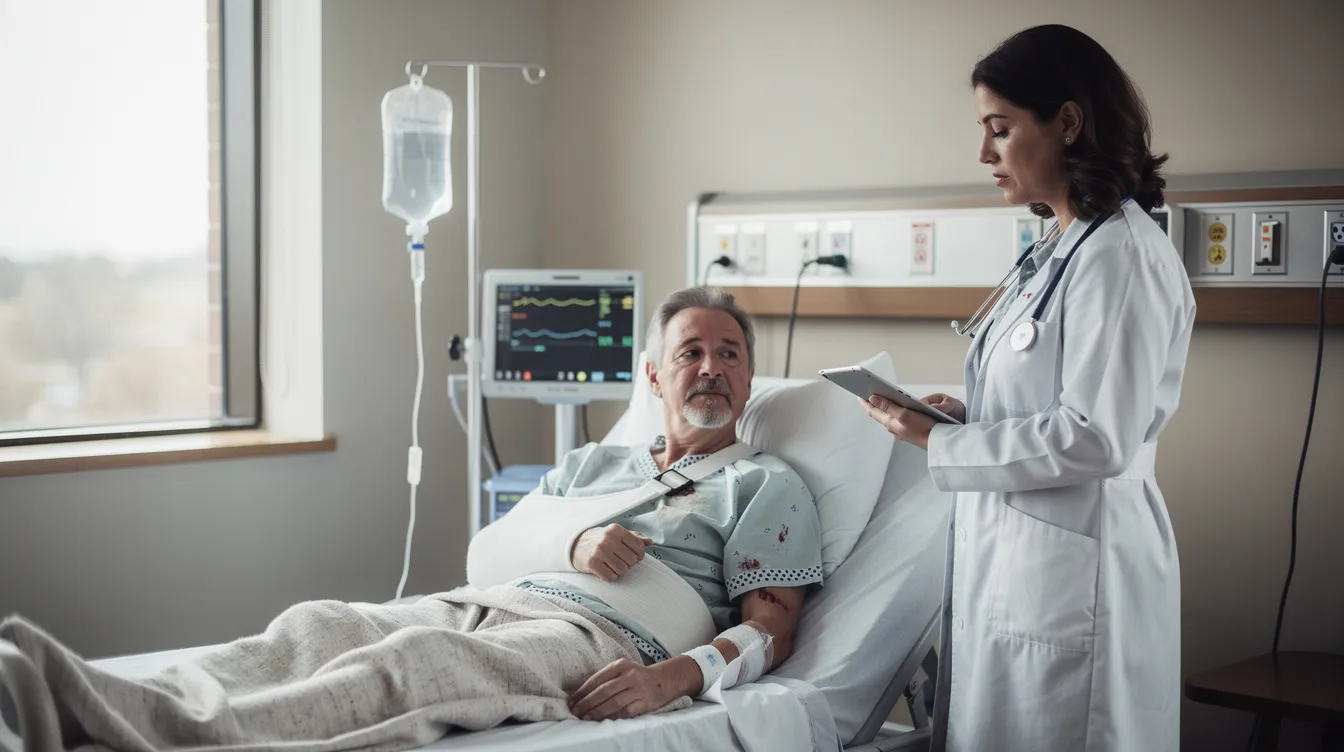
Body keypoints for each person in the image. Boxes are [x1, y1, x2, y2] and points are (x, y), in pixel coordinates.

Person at [0, 286, 824, 751]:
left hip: (607, 639)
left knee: (416, 663)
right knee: (321, 626)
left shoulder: (763, 482)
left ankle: (122, 728)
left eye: (730, 354)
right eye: (691, 352)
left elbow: (772, 630)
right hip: (509, 597)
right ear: (654, 376)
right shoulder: (595, 465)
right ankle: (99, 692)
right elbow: (488, 552)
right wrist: (572, 539)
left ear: (752, 379)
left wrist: (670, 678)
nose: (711, 368)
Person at [857, 25, 1194, 752]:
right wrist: (968, 415)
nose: (984, 153)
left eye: (1000, 129)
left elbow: (1098, 435)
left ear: (1068, 123)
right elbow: (1049, 401)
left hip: (1079, 580)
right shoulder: (1060, 249)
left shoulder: (1122, 257)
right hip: (1022, 570)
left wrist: (942, 440)